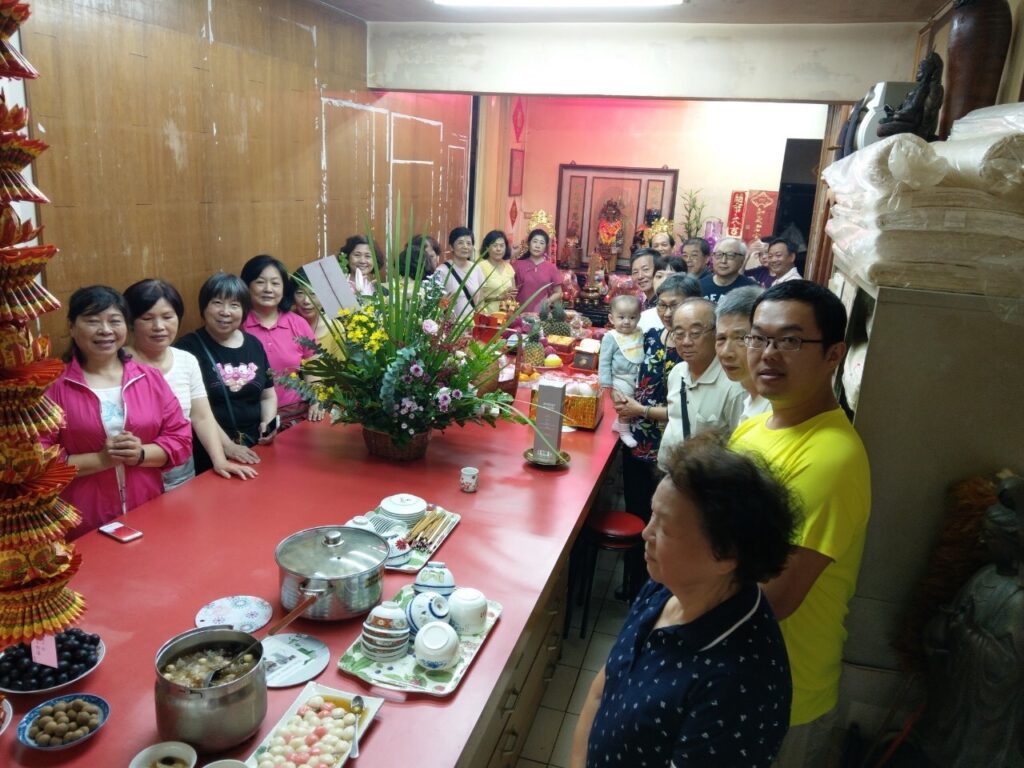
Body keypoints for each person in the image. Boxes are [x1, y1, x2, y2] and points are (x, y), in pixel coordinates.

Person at [572, 435, 797, 768]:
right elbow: (602, 688)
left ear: (725, 555)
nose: (646, 533)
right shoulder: (667, 586)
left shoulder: (739, 688)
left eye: (665, 528)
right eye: (652, 516)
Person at [729, 280, 870, 767]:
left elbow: (774, 599)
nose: (767, 354)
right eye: (758, 337)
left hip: (781, 696)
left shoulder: (830, 457)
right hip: (731, 675)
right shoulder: (756, 427)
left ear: (833, 355)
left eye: (790, 340)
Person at [41, 286, 192, 539]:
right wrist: (101, 460)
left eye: (114, 321)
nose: (105, 330)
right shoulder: (54, 387)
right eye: (92, 321)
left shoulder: (149, 378)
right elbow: (38, 460)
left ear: (126, 326)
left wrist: (140, 454)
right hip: (81, 519)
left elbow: (181, 438)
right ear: (72, 327)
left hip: (147, 508)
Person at [123, 279, 259, 490]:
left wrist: (219, 459)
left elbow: (201, 416)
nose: (159, 327)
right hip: (134, 477)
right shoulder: (117, 364)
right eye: (147, 318)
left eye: (168, 317)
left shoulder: (186, 360)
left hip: (182, 473)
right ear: (130, 321)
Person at [612, 273, 699, 600]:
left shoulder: (692, 353)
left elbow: (685, 410)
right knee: (637, 513)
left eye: (674, 305)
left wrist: (642, 410)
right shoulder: (650, 337)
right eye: (661, 305)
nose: (666, 312)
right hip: (638, 440)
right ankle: (633, 583)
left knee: (665, 521)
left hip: (670, 449)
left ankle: (659, 589)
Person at [175, 273, 279, 475]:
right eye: (217, 303)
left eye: (234, 305)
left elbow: (267, 394)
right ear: (204, 307)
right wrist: (227, 446)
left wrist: (267, 424)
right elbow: (196, 411)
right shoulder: (187, 349)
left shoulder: (254, 344)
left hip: (255, 447)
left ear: (244, 310)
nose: (225, 312)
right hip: (209, 451)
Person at [658, 298, 745, 468]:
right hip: (669, 471)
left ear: (716, 333)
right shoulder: (677, 373)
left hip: (705, 480)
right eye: (679, 334)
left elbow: (740, 451)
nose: (686, 341)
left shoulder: (734, 386)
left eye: (695, 333)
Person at [240, 254, 317, 429]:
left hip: (296, 414)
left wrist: (316, 399)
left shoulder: (297, 323)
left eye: (275, 283)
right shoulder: (238, 324)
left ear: (284, 289)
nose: (268, 289)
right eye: (260, 282)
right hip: (251, 417)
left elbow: (314, 368)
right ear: (247, 285)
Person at [715, 285, 771, 422]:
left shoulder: (775, 411)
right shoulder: (750, 400)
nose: (726, 352)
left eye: (741, 338)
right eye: (721, 338)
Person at [598, 294, 644, 450]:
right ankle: (624, 431)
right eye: (621, 317)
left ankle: (618, 424)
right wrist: (606, 383)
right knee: (625, 403)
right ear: (611, 318)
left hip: (636, 377)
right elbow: (604, 361)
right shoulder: (611, 337)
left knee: (635, 402)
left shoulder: (639, 333)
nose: (626, 321)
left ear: (639, 318)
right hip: (620, 378)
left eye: (632, 317)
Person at [434, 226, 485, 320]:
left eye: (469, 243)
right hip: (451, 325)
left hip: (473, 324)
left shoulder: (476, 269)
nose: (465, 246)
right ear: (451, 247)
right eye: (460, 243)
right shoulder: (442, 271)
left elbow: (481, 301)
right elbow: (435, 304)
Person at [513, 228, 563, 313]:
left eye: (541, 243)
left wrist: (548, 301)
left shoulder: (551, 268)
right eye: (535, 241)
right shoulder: (517, 264)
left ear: (546, 247)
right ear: (529, 244)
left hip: (542, 315)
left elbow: (559, 292)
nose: (537, 246)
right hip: (519, 314)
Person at [638, 255, 690, 333]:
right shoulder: (644, 317)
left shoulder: (691, 315)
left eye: (671, 277)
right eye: (659, 276)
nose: (664, 281)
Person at [700, 237, 757, 303]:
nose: (723, 261)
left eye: (730, 255)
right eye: (719, 255)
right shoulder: (699, 286)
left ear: (742, 260)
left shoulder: (752, 290)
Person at [477, 229, 516, 314]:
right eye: (495, 245)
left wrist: (510, 296)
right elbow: (477, 297)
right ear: (487, 247)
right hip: (487, 315)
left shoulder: (509, 267)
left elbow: (513, 295)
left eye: (502, 246)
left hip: (506, 316)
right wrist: (499, 297)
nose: (499, 249)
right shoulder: (480, 267)